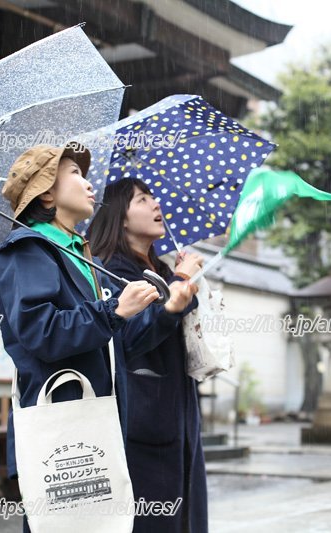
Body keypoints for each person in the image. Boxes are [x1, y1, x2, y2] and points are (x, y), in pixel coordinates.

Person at [0, 144, 197, 532]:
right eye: (75, 175)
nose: (89, 182)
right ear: (47, 193)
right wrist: (112, 310)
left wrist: (166, 311)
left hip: (95, 426)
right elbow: (42, 333)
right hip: (63, 432)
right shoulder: (27, 251)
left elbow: (122, 342)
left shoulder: (79, 254)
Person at [87, 177, 208, 533]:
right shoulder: (110, 269)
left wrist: (181, 281)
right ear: (120, 217)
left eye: (154, 198)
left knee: (183, 515)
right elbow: (129, 339)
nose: (156, 204)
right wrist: (175, 291)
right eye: (142, 199)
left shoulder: (164, 267)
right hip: (141, 416)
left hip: (179, 412)